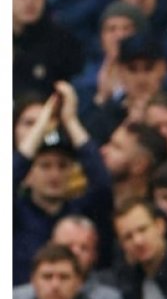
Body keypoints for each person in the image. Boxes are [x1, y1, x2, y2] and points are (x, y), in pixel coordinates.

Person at [13, 81, 113, 286]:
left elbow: (102, 185)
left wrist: (70, 120)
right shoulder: (15, 213)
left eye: (62, 165)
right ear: (29, 172)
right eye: (45, 166)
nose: (54, 174)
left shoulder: (81, 211)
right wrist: (41, 125)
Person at [13, 215, 132, 299]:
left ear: (94, 255)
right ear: (50, 246)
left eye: (84, 248)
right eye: (68, 246)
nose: (75, 253)